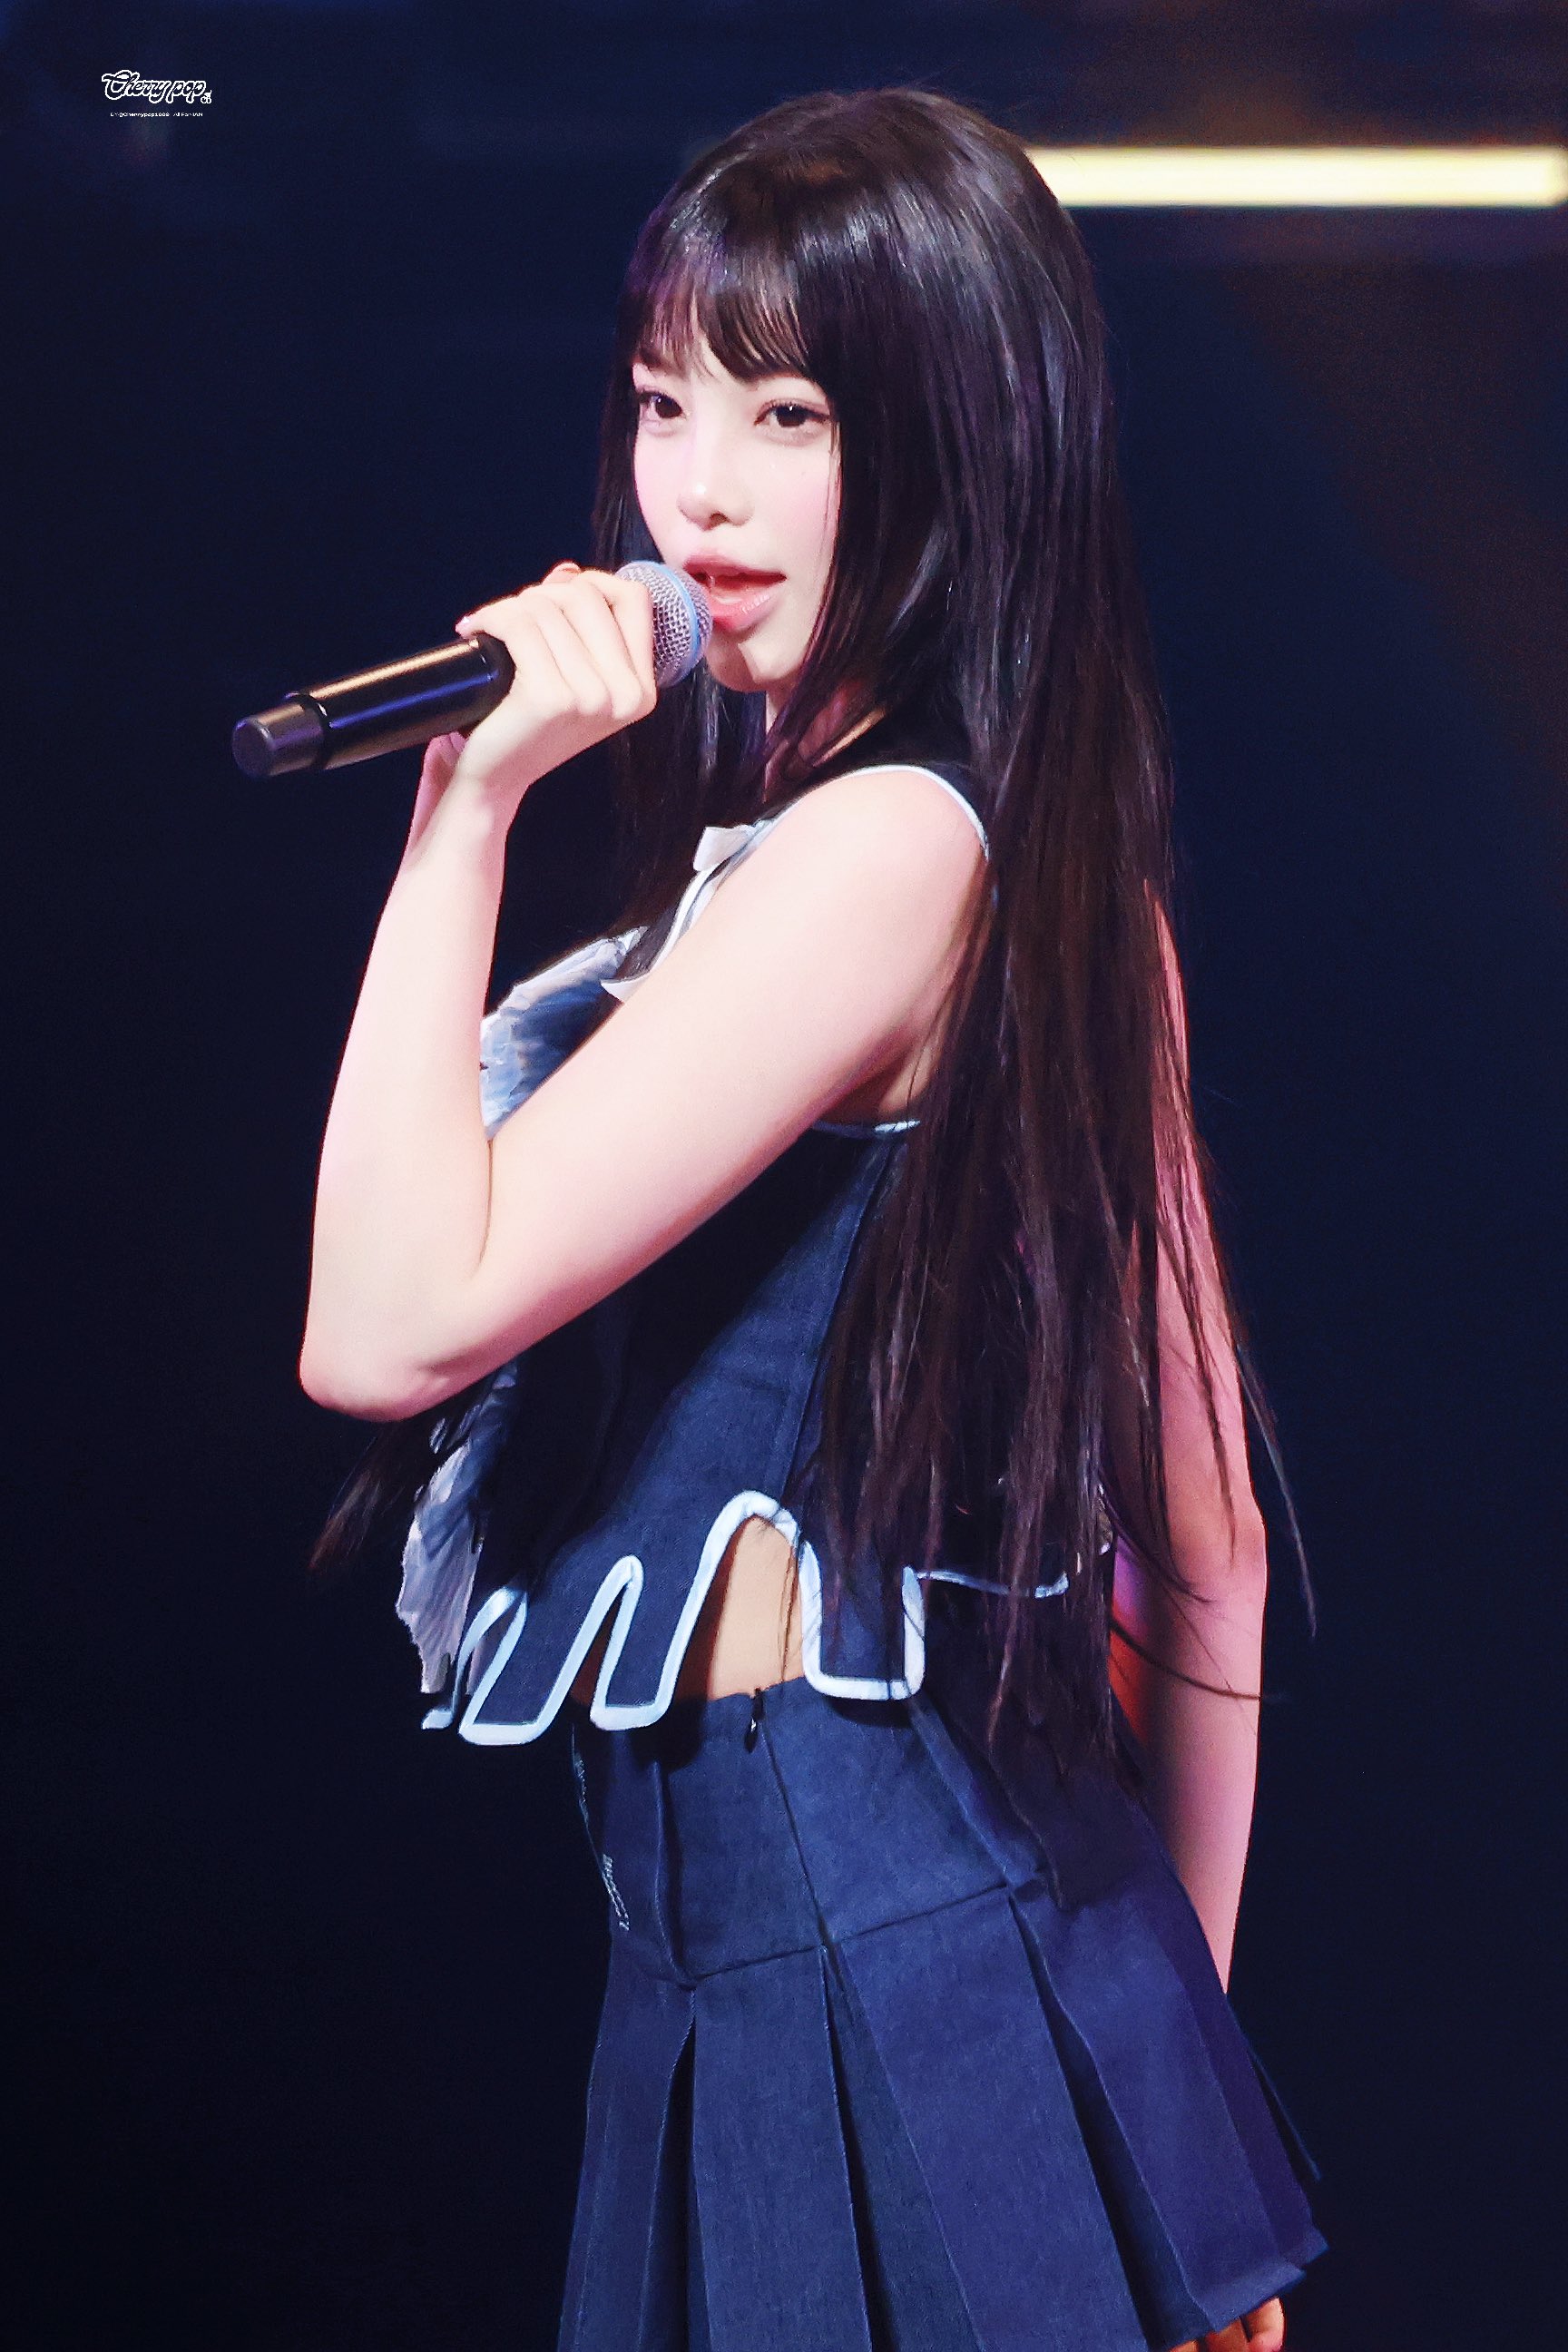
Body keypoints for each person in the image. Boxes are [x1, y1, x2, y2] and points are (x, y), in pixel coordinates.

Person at [300, 86, 1325, 2352]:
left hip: (864, 1964)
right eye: (667, 402)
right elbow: (1214, 1558)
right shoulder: (1027, 864)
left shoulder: (881, 855)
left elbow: (383, 1324)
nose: (700, 492)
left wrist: (463, 813)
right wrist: (1161, 2099)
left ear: (954, 445)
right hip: (849, 1974)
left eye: (791, 416)